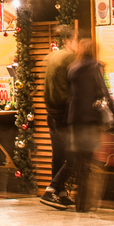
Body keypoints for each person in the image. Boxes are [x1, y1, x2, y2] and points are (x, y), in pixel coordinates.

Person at [65, 38, 114, 214]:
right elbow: (103, 91)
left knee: (80, 162)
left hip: (74, 119)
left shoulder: (72, 68)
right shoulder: (95, 68)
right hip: (89, 119)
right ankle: (86, 202)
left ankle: (80, 202)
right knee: (88, 162)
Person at [40, 24, 76, 209]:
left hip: (51, 112)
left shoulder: (51, 56)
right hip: (64, 113)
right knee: (74, 155)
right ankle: (52, 189)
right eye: (76, 40)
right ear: (69, 41)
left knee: (58, 155)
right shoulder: (70, 57)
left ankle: (60, 193)